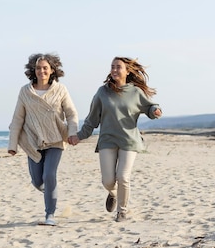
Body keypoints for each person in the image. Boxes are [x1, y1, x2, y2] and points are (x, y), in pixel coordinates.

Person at [67, 56, 162, 222]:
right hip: (107, 140)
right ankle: (113, 193)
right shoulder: (102, 92)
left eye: (119, 67)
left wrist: (155, 110)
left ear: (127, 71)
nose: (115, 70)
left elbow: (149, 107)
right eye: (113, 66)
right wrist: (79, 136)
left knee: (123, 177)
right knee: (108, 181)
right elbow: (92, 120)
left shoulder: (135, 92)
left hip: (129, 140)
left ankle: (122, 212)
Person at [8, 53, 79, 226]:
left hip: (55, 139)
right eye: (38, 68)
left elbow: (71, 114)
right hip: (33, 141)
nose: (42, 71)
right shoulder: (25, 91)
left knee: (49, 175)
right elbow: (17, 119)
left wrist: (72, 132)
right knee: (38, 181)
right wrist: (13, 145)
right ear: (34, 70)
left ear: (52, 70)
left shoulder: (60, 90)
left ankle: (50, 215)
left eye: (45, 67)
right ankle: (50, 192)